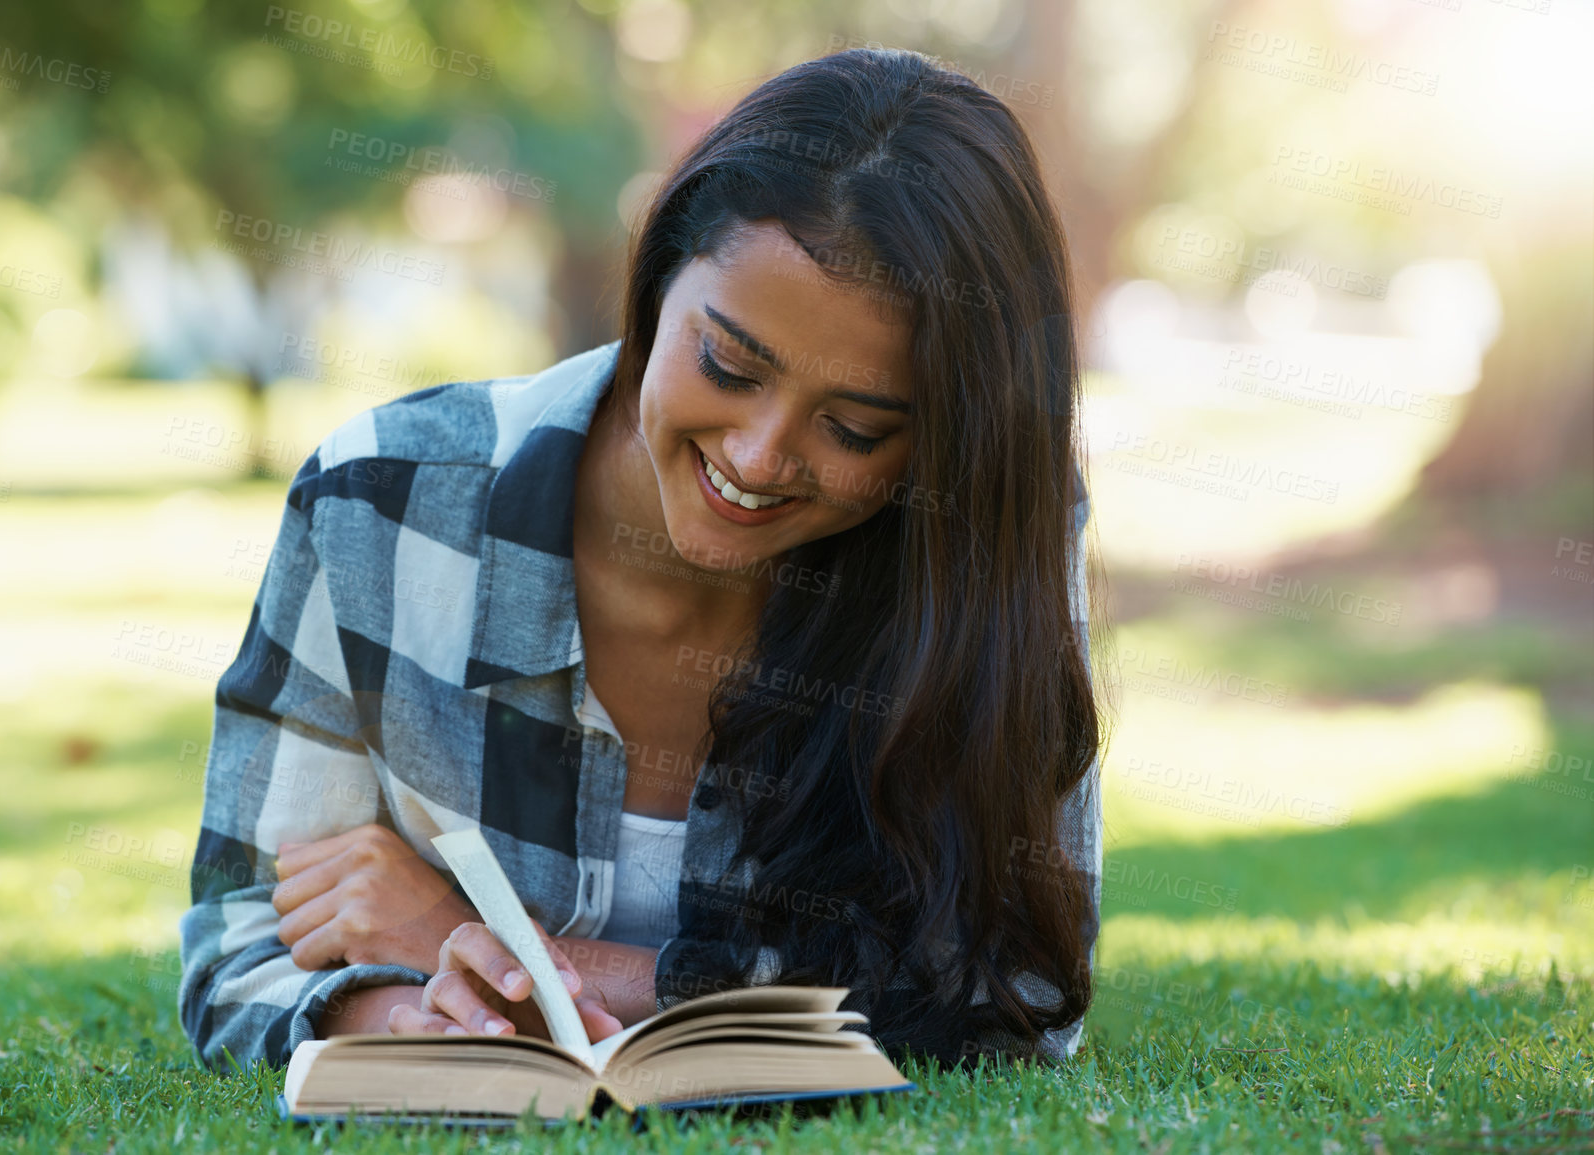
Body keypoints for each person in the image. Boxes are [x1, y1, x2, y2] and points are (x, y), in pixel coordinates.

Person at [178, 46, 1105, 1074]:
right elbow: (239, 946)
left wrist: (506, 953)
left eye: (854, 428)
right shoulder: (379, 503)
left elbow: (1012, 990)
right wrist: (428, 1019)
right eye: (729, 364)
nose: (760, 457)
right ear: (659, 277)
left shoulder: (976, 533)